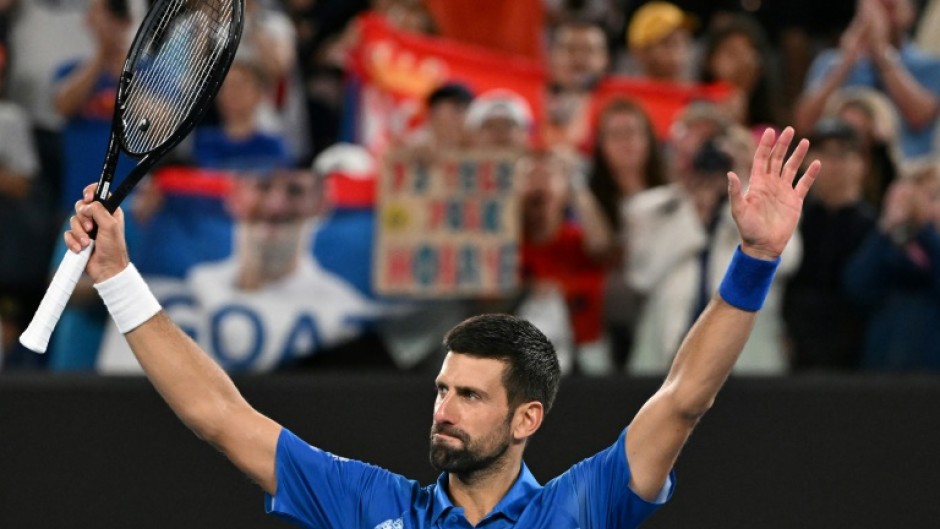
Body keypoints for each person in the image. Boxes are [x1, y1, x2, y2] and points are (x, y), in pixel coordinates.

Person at [63, 128, 819, 527]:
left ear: (528, 416)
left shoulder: (582, 507)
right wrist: (121, 278)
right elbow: (221, 417)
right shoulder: (370, 503)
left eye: (469, 394)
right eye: (443, 388)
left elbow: (684, 397)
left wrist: (753, 259)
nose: (444, 407)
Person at [782, 118, 877, 370]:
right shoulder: (793, 220)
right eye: (823, 153)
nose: (833, 164)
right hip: (797, 351)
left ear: (862, 164)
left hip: (854, 356)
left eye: (843, 154)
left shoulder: (874, 228)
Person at [794, 0, 940, 160]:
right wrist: (847, 60)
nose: (880, 18)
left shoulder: (929, 64)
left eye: (890, 8)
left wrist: (882, 54)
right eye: (875, 9)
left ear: (910, 13)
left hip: (907, 171)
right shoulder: (830, 62)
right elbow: (804, 124)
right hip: (840, 166)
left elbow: (920, 117)